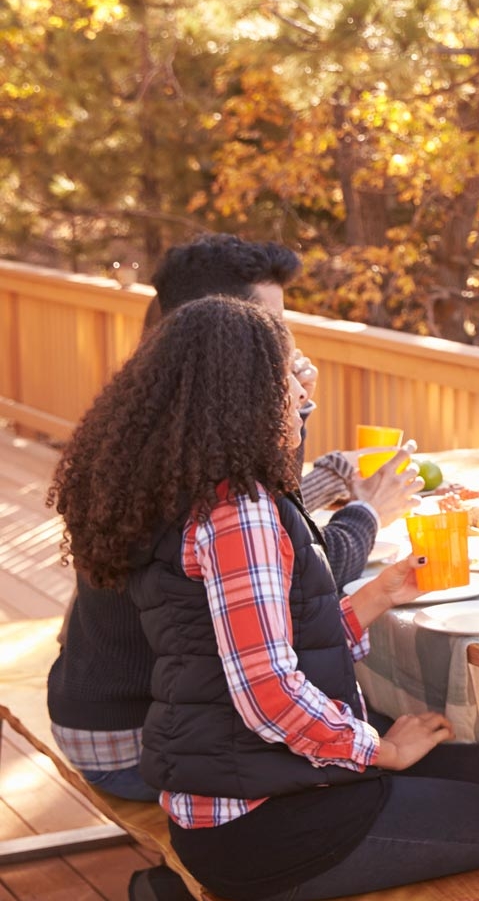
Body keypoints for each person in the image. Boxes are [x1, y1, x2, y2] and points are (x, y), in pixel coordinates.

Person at [50, 297, 479, 901]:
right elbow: (268, 691)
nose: (302, 394)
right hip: (264, 823)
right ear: (244, 397)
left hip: (256, 782)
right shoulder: (239, 514)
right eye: (288, 376)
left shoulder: (193, 492)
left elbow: (250, 649)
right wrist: (380, 749)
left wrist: (373, 596)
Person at [46, 234, 419, 811]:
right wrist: (367, 512)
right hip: (136, 738)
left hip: (94, 702)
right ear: (218, 327)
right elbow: (300, 568)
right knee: (385, 731)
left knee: (360, 719)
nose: (287, 343)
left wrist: (293, 410)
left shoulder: (149, 419)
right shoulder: (197, 464)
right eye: (270, 324)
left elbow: (275, 518)